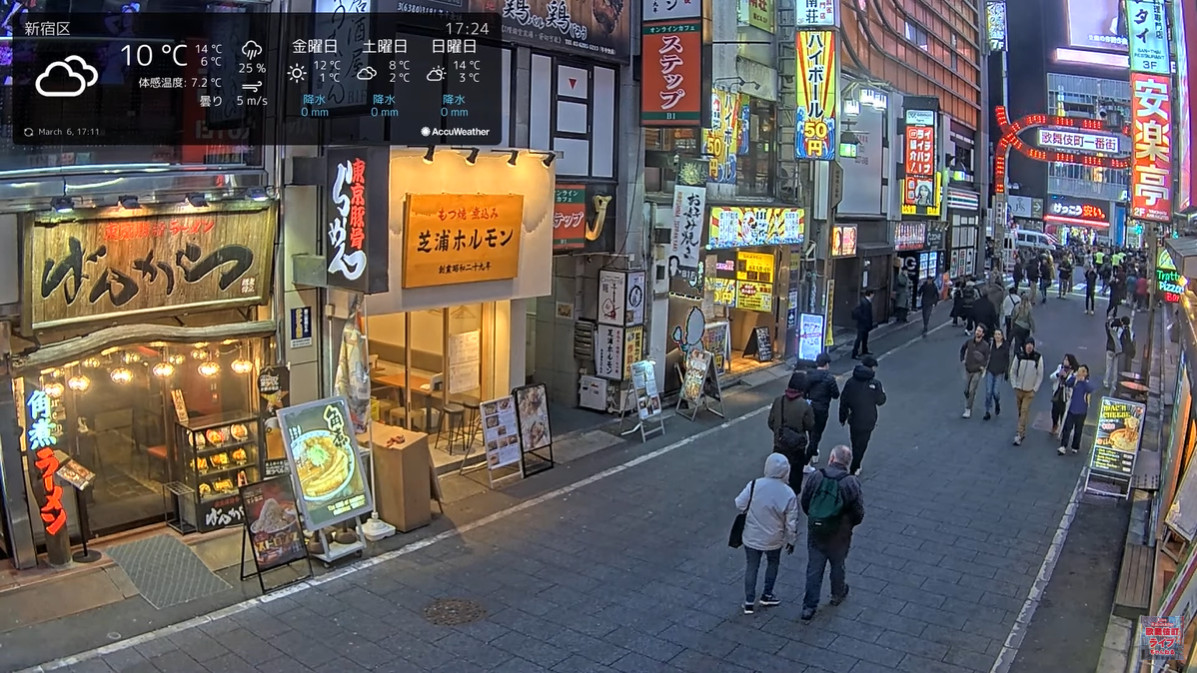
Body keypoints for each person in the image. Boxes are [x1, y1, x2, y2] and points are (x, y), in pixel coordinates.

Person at [799, 445, 865, 621]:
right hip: (840, 535)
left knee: (814, 568)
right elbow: (859, 513)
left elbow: (805, 501)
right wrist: (848, 524)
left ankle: (809, 607)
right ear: (847, 463)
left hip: (817, 530)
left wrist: (817, 518)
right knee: (838, 564)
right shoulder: (850, 482)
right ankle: (837, 593)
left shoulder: (816, 476)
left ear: (831, 458)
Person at [734, 453, 799, 615]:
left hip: (752, 536)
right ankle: (767, 594)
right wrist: (791, 540)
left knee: (752, 566)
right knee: (773, 563)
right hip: (774, 538)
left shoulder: (755, 484)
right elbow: (791, 523)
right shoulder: (788, 493)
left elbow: (739, 504)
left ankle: (749, 602)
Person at [838, 355, 886, 475]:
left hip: (853, 417)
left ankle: (855, 460)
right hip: (869, 419)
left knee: (855, 441)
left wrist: (842, 417)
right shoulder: (875, 383)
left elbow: (844, 400)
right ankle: (855, 466)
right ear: (872, 367)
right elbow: (880, 401)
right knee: (863, 443)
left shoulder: (850, 382)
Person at [768, 372, 815, 490]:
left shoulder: (778, 401)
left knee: (776, 472)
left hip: (779, 442)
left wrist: (779, 431)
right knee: (795, 475)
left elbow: (770, 422)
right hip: (797, 446)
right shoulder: (805, 405)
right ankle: (792, 496)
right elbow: (810, 425)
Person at [803, 353, 840, 468]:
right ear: (827, 364)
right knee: (816, 435)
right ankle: (806, 461)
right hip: (822, 409)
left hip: (809, 407)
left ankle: (813, 452)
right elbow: (836, 394)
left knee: (810, 431)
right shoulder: (829, 378)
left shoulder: (808, 375)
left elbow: (804, 392)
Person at [1009, 337, 1045, 446]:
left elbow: (1040, 374)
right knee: (1021, 411)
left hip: (1029, 391)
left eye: (1031, 344)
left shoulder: (1038, 357)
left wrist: (1035, 389)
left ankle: (1019, 434)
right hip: (1019, 389)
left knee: (1024, 410)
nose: (1029, 347)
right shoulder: (1019, 356)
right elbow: (1013, 371)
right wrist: (1014, 385)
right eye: (1027, 344)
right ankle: (1022, 429)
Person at [1059, 365, 1097, 456]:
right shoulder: (1075, 380)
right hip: (1072, 409)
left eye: (1083, 371)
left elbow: (1091, 389)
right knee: (1067, 428)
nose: (1081, 373)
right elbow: (1067, 383)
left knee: (1078, 429)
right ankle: (1063, 446)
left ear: (1086, 373)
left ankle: (1075, 446)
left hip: (1082, 411)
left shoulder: (1086, 383)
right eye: (1080, 371)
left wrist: (1083, 381)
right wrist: (1074, 376)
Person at [960, 325, 991, 419]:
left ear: (983, 334)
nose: (977, 332)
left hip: (977, 371)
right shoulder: (969, 342)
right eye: (977, 330)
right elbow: (963, 349)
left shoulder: (985, 346)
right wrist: (962, 359)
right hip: (967, 369)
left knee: (972, 390)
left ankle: (968, 409)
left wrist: (983, 367)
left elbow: (987, 358)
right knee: (966, 390)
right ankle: (969, 399)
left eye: (979, 331)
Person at [984, 328, 1011, 421]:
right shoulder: (991, 345)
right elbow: (986, 356)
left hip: (999, 372)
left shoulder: (1005, 347)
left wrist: (1007, 372)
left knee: (995, 392)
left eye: (999, 334)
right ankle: (988, 411)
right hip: (990, 370)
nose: (997, 336)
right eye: (995, 334)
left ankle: (997, 403)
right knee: (988, 392)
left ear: (1002, 336)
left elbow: (1007, 360)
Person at [1049, 354, 1080, 435]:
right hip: (1058, 393)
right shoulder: (1060, 367)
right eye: (1065, 359)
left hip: (1066, 396)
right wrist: (1058, 374)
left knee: (1064, 414)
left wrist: (1066, 377)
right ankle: (1055, 425)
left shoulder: (1075, 372)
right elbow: (1051, 377)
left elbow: (1072, 383)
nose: (1065, 361)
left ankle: (1063, 431)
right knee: (1054, 412)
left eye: (1067, 360)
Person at [851, 290, 875, 360]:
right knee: (859, 338)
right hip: (863, 323)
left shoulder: (864, 301)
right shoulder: (865, 303)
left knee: (865, 337)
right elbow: (865, 314)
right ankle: (855, 353)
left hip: (863, 323)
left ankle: (864, 350)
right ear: (870, 294)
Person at [1103, 318, 1123, 388]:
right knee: (1115, 368)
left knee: (1108, 367)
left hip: (1109, 349)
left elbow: (1106, 325)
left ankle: (1106, 381)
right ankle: (1114, 382)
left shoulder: (1110, 330)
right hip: (1117, 350)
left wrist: (1109, 320)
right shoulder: (1120, 331)